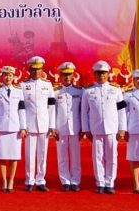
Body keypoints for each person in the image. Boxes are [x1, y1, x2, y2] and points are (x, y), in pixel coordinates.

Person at [80, 61, 126, 194]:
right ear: (95, 75)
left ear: (108, 74)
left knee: (112, 156)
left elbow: (121, 111)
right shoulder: (88, 91)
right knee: (98, 157)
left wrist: (122, 128)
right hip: (96, 128)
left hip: (112, 128)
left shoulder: (116, 90)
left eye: (104, 73)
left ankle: (110, 182)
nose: (101, 76)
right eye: (99, 73)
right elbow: (84, 112)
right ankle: (100, 182)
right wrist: (86, 129)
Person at [19, 56, 56, 191]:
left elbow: (51, 106)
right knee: (29, 154)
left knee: (42, 154)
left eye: (38, 69)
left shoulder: (48, 84)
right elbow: (21, 107)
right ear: (29, 70)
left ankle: (40, 180)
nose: (36, 72)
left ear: (42, 70)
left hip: (44, 124)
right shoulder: (23, 85)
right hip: (29, 125)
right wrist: (23, 126)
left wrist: (52, 125)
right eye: (33, 69)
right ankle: (29, 180)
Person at [0, 66, 28, 192]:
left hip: (15, 128)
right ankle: (4, 181)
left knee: (14, 156)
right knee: (1, 156)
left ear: (14, 77)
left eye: (10, 75)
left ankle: (11, 180)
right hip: (0, 128)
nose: (8, 78)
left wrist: (23, 127)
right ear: (2, 77)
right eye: (5, 75)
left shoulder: (18, 91)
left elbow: (21, 110)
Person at [54, 62, 83, 192]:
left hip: (75, 128)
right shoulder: (55, 92)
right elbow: (52, 111)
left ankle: (75, 181)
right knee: (62, 156)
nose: (67, 77)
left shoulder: (80, 91)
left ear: (73, 75)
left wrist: (83, 127)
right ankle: (65, 180)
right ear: (60, 76)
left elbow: (83, 111)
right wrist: (53, 127)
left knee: (75, 157)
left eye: (69, 74)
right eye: (64, 75)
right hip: (60, 128)